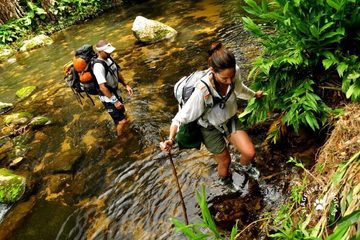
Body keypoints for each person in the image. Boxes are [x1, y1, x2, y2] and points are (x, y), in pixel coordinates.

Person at [160, 42, 263, 186]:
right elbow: (179, 118)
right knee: (225, 160)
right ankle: (225, 181)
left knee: (249, 153)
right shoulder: (201, 91)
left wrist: (254, 95)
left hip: (230, 119)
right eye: (224, 79)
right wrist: (170, 139)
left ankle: (245, 166)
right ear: (213, 71)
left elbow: (239, 89)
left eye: (231, 77)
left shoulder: (234, 72)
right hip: (209, 128)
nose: (229, 82)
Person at [93, 39, 133, 136]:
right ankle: (120, 138)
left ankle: (121, 127)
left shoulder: (109, 58)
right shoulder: (98, 66)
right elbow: (102, 87)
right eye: (107, 52)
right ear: (99, 52)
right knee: (122, 121)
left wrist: (125, 85)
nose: (110, 53)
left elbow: (116, 73)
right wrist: (115, 101)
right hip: (108, 97)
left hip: (115, 92)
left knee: (122, 113)